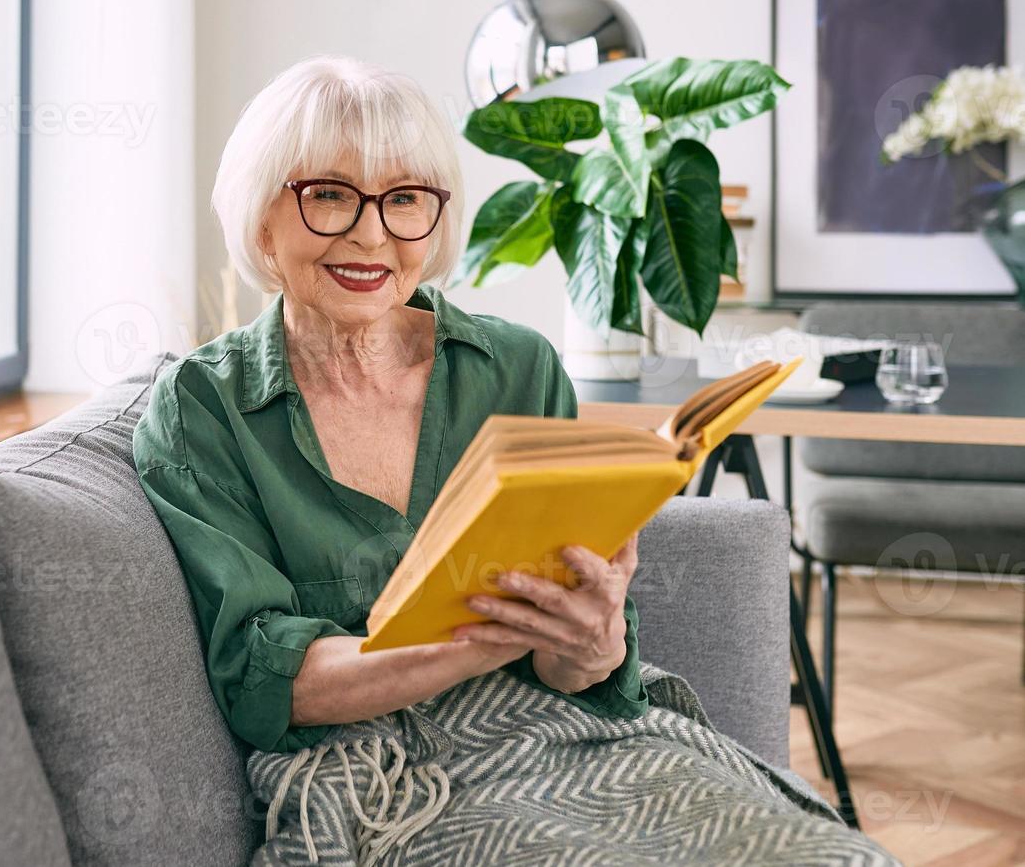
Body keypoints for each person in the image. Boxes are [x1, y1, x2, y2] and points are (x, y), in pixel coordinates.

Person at [133, 56, 899, 865]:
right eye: (328, 195)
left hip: (565, 733)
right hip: (382, 770)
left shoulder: (519, 368)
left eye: (404, 200)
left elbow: (581, 673)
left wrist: (592, 640)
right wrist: (478, 643)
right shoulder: (201, 408)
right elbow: (269, 682)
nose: (371, 233)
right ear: (261, 219)